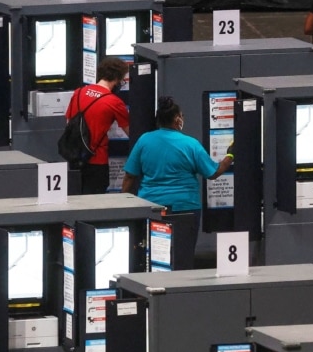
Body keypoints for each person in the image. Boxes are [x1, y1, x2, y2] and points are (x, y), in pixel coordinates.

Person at [122, 97, 233, 258]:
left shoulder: (144, 140)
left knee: (153, 255)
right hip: (186, 208)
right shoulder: (190, 144)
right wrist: (230, 154)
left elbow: (130, 177)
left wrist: (121, 204)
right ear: (177, 119)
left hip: (151, 206)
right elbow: (213, 173)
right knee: (183, 255)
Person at [64, 57, 131, 193]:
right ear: (117, 79)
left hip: (75, 156)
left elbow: (68, 122)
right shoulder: (114, 102)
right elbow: (131, 132)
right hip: (97, 159)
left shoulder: (78, 92)